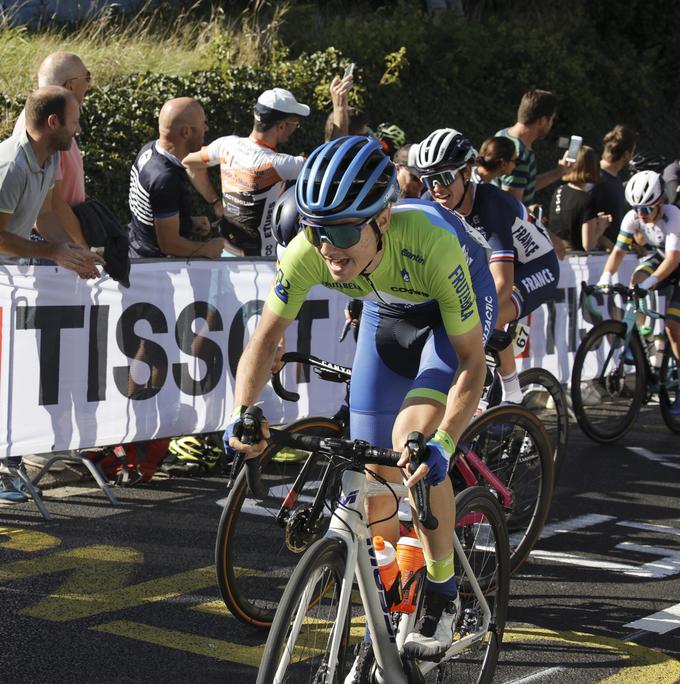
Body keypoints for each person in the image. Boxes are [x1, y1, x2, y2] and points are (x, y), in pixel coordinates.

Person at [225, 135, 497, 659]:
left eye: (345, 229)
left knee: (412, 443)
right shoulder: (314, 248)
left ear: (383, 220)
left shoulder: (430, 240)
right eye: (317, 228)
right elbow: (264, 338)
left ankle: (442, 593)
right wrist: (241, 412)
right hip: (388, 307)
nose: (329, 247)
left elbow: (469, 363)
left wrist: (443, 441)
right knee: (376, 480)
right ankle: (399, 603)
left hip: (450, 310)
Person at [0, 86, 104, 504]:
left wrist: (76, 253)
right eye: (74, 120)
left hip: (11, 284)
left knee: (12, 381)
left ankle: (9, 468)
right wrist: (53, 252)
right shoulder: (11, 165)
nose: (78, 128)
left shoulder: (48, 156)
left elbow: (45, 214)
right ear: (53, 123)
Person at [415, 128, 559, 405]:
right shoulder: (431, 204)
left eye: (444, 177)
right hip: (492, 265)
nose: (436, 188)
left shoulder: (490, 205)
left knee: (484, 319)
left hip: (535, 266)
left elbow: (502, 285)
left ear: (466, 172)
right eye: (428, 179)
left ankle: (511, 397)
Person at [185, 77, 353, 258]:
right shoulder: (277, 164)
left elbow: (188, 162)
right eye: (295, 124)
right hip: (262, 262)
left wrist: (215, 203)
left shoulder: (226, 145)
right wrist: (340, 107)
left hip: (226, 255)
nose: (296, 128)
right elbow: (332, 162)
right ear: (281, 126)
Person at [598, 170, 680, 414]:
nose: (641, 215)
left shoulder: (674, 216)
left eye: (646, 209)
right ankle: (643, 333)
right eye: (637, 208)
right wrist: (606, 276)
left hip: (675, 261)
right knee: (635, 281)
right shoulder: (633, 217)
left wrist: (651, 282)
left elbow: (674, 260)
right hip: (661, 257)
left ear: (660, 203)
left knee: (673, 328)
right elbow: (619, 252)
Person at [127, 97, 224, 259]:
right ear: (186, 132)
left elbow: (152, 212)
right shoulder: (165, 180)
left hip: (137, 247)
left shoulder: (149, 149)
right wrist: (207, 249)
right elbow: (169, 245)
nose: (206, 128)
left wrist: (187, 222)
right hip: (155, 268)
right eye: (202, 125)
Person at [12, 51, 92, 248]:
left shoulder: (49, 119)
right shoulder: (48, 128)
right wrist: (81, 245)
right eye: (87, 77)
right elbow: (51, 203)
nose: (89, 84)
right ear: (70, 85)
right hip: (52, 243)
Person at [493, 89, 571, 206]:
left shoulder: (502, 134)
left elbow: (522, 186)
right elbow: (511, 207)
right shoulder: (520, 154)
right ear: (543, 120)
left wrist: (558, 172)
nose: (551, 125)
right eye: (552, 119)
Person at [548, 145, 612, 252]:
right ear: (592, 168)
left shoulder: (559, 190)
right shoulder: (587, 200)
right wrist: (601, 227)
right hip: (575, 260)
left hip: (556, 253)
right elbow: (588, 245)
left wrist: (592, 219)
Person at [598, 124, 638, 248]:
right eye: (633, 151)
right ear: (626, 154)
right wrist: (613, 248)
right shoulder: (595, 178)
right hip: (595, 259)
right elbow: (583, 221)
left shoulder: (614, 179)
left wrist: (627, 244)